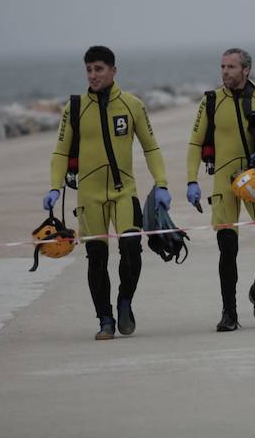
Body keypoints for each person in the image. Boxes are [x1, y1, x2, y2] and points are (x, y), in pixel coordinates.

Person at [42, 45, 170, 340]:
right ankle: (105, 319)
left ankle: (125, 301)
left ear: (113, 70)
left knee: (130, 250)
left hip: (124, 191)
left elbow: (151, 147)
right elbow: (61, 151)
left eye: (99, 69)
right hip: (89, 197)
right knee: (96, 258)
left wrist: (161, 182)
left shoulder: (132, 105)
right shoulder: (74, 108)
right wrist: (54, 187)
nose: (93, 75)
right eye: (88, 69)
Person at [186, 48, 255, 331]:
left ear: (246, 70)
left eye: (231, 67)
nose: (225, 72)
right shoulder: (211, 101)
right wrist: (191, 180)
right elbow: (194, 143)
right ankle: (229, 313)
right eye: (222, 66)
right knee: (227, 247)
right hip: (224, 181)